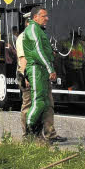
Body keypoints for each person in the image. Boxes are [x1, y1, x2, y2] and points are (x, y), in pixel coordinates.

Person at [21, 7, 66, 143]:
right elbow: (38, 52)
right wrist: (50, 68)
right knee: (39, 101)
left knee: (45, 102)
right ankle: (30, 134)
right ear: (35, 17)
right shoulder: (33, 30)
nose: (47, 19)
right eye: (43, 16)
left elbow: (42, 51)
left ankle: (40, 134)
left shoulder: (38, 30)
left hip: (41, 69)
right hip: (36, 69)